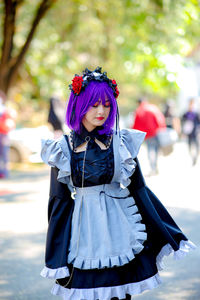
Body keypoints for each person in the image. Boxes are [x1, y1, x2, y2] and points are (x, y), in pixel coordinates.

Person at [41, 67, 195, 300]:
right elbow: (59, 202)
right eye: (94, 104)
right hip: (85, 232)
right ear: (80, 104)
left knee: (121, 293)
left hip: (120, 228)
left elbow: (140, 190)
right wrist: (56, 255)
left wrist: (168, 231)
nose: (102, 110)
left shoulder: (122, 143)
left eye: (107, 104)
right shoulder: (62, 148)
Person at [132, 98, 166, 175]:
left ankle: (153, 168)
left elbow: (136, 124)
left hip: (147, 134)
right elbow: (160, 119)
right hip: (156, 132)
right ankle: (155, 166)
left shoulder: (139, 111)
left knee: (150, 151)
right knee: (156, 150)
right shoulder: (153, 108)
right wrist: (162, 128)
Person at [0, 91, 15, 178]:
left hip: (4, 135)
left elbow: (10, 124)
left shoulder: (5, 110)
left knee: (4, 154)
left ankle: (4, 172)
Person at [181, 98, 200, 165]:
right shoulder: (185, 113)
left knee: (197, 146)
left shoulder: (196, 113)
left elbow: (198, 122)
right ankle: (192, 157)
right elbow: (182, 123)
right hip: (188, 133)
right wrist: (183, 132)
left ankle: (195, 158)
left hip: (195, 132)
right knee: (189, 146)